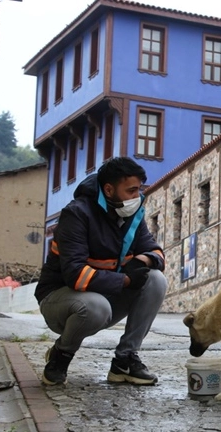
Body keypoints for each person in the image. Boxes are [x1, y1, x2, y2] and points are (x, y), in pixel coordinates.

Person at [35, 157, 167, 386]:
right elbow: (76, 275)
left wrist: (143, 260)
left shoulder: (132, 215)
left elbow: (156, 252)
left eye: (139, 190)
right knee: (96, 307)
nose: (136, 197)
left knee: (156, 280)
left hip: (103, 296)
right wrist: (126, 280)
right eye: (131, 190)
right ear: (108, 190)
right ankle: (61, 356)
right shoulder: (76, 214)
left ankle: (125, 361)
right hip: (61, 300)